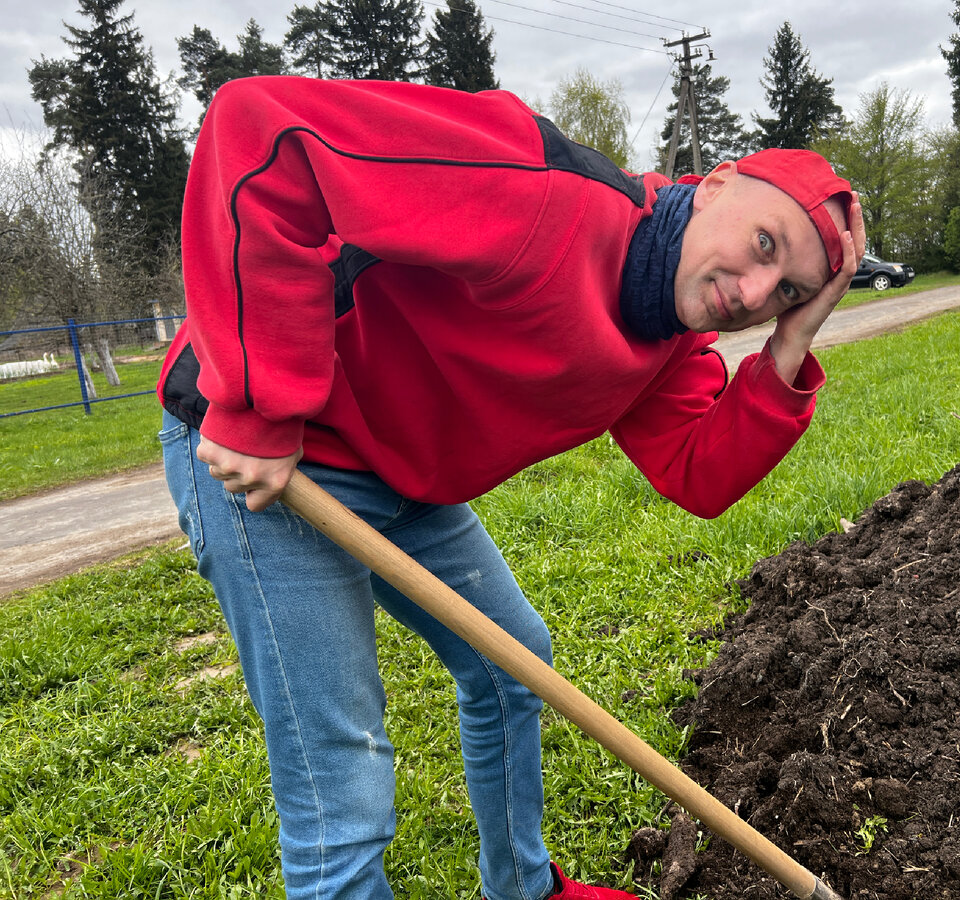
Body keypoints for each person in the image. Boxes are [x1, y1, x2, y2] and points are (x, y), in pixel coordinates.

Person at [157, 75, 864, 900]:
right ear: (714, 185)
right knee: (340, 785)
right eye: (766, 246)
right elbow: (265, 131)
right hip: (267, 461)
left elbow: (699, 472)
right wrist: (260, 396)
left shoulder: (665, 340)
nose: (748, 293)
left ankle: (523, 890)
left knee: (513, 664)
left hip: (400, 472)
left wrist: (791, 344)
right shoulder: (540, 191)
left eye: (783, 294)